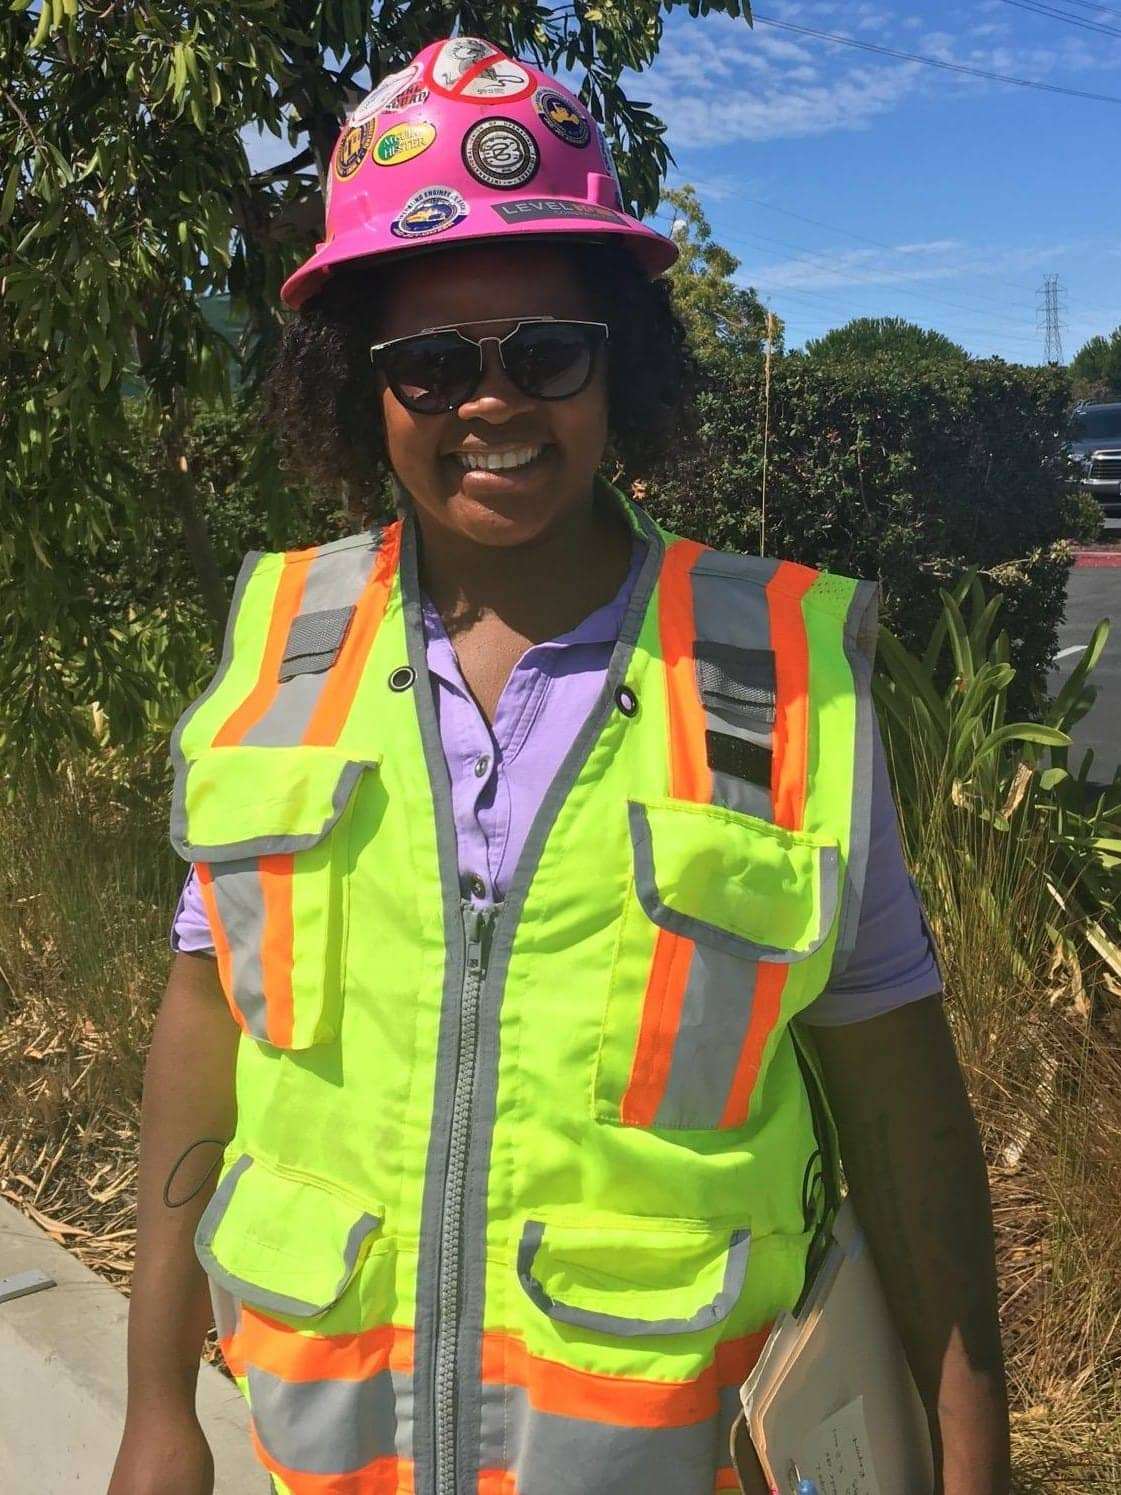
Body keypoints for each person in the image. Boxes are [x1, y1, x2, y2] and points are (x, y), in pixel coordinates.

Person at [109, 36, 1011, 1495]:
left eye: (545, 350)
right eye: (427, 364)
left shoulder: (780, 680)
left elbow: (909, 1134)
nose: (491, 401)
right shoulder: (283, 645)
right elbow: (201, 1031)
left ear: (617, 361)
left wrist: (973, 1466)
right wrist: (158, 1411)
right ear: (359, 385)